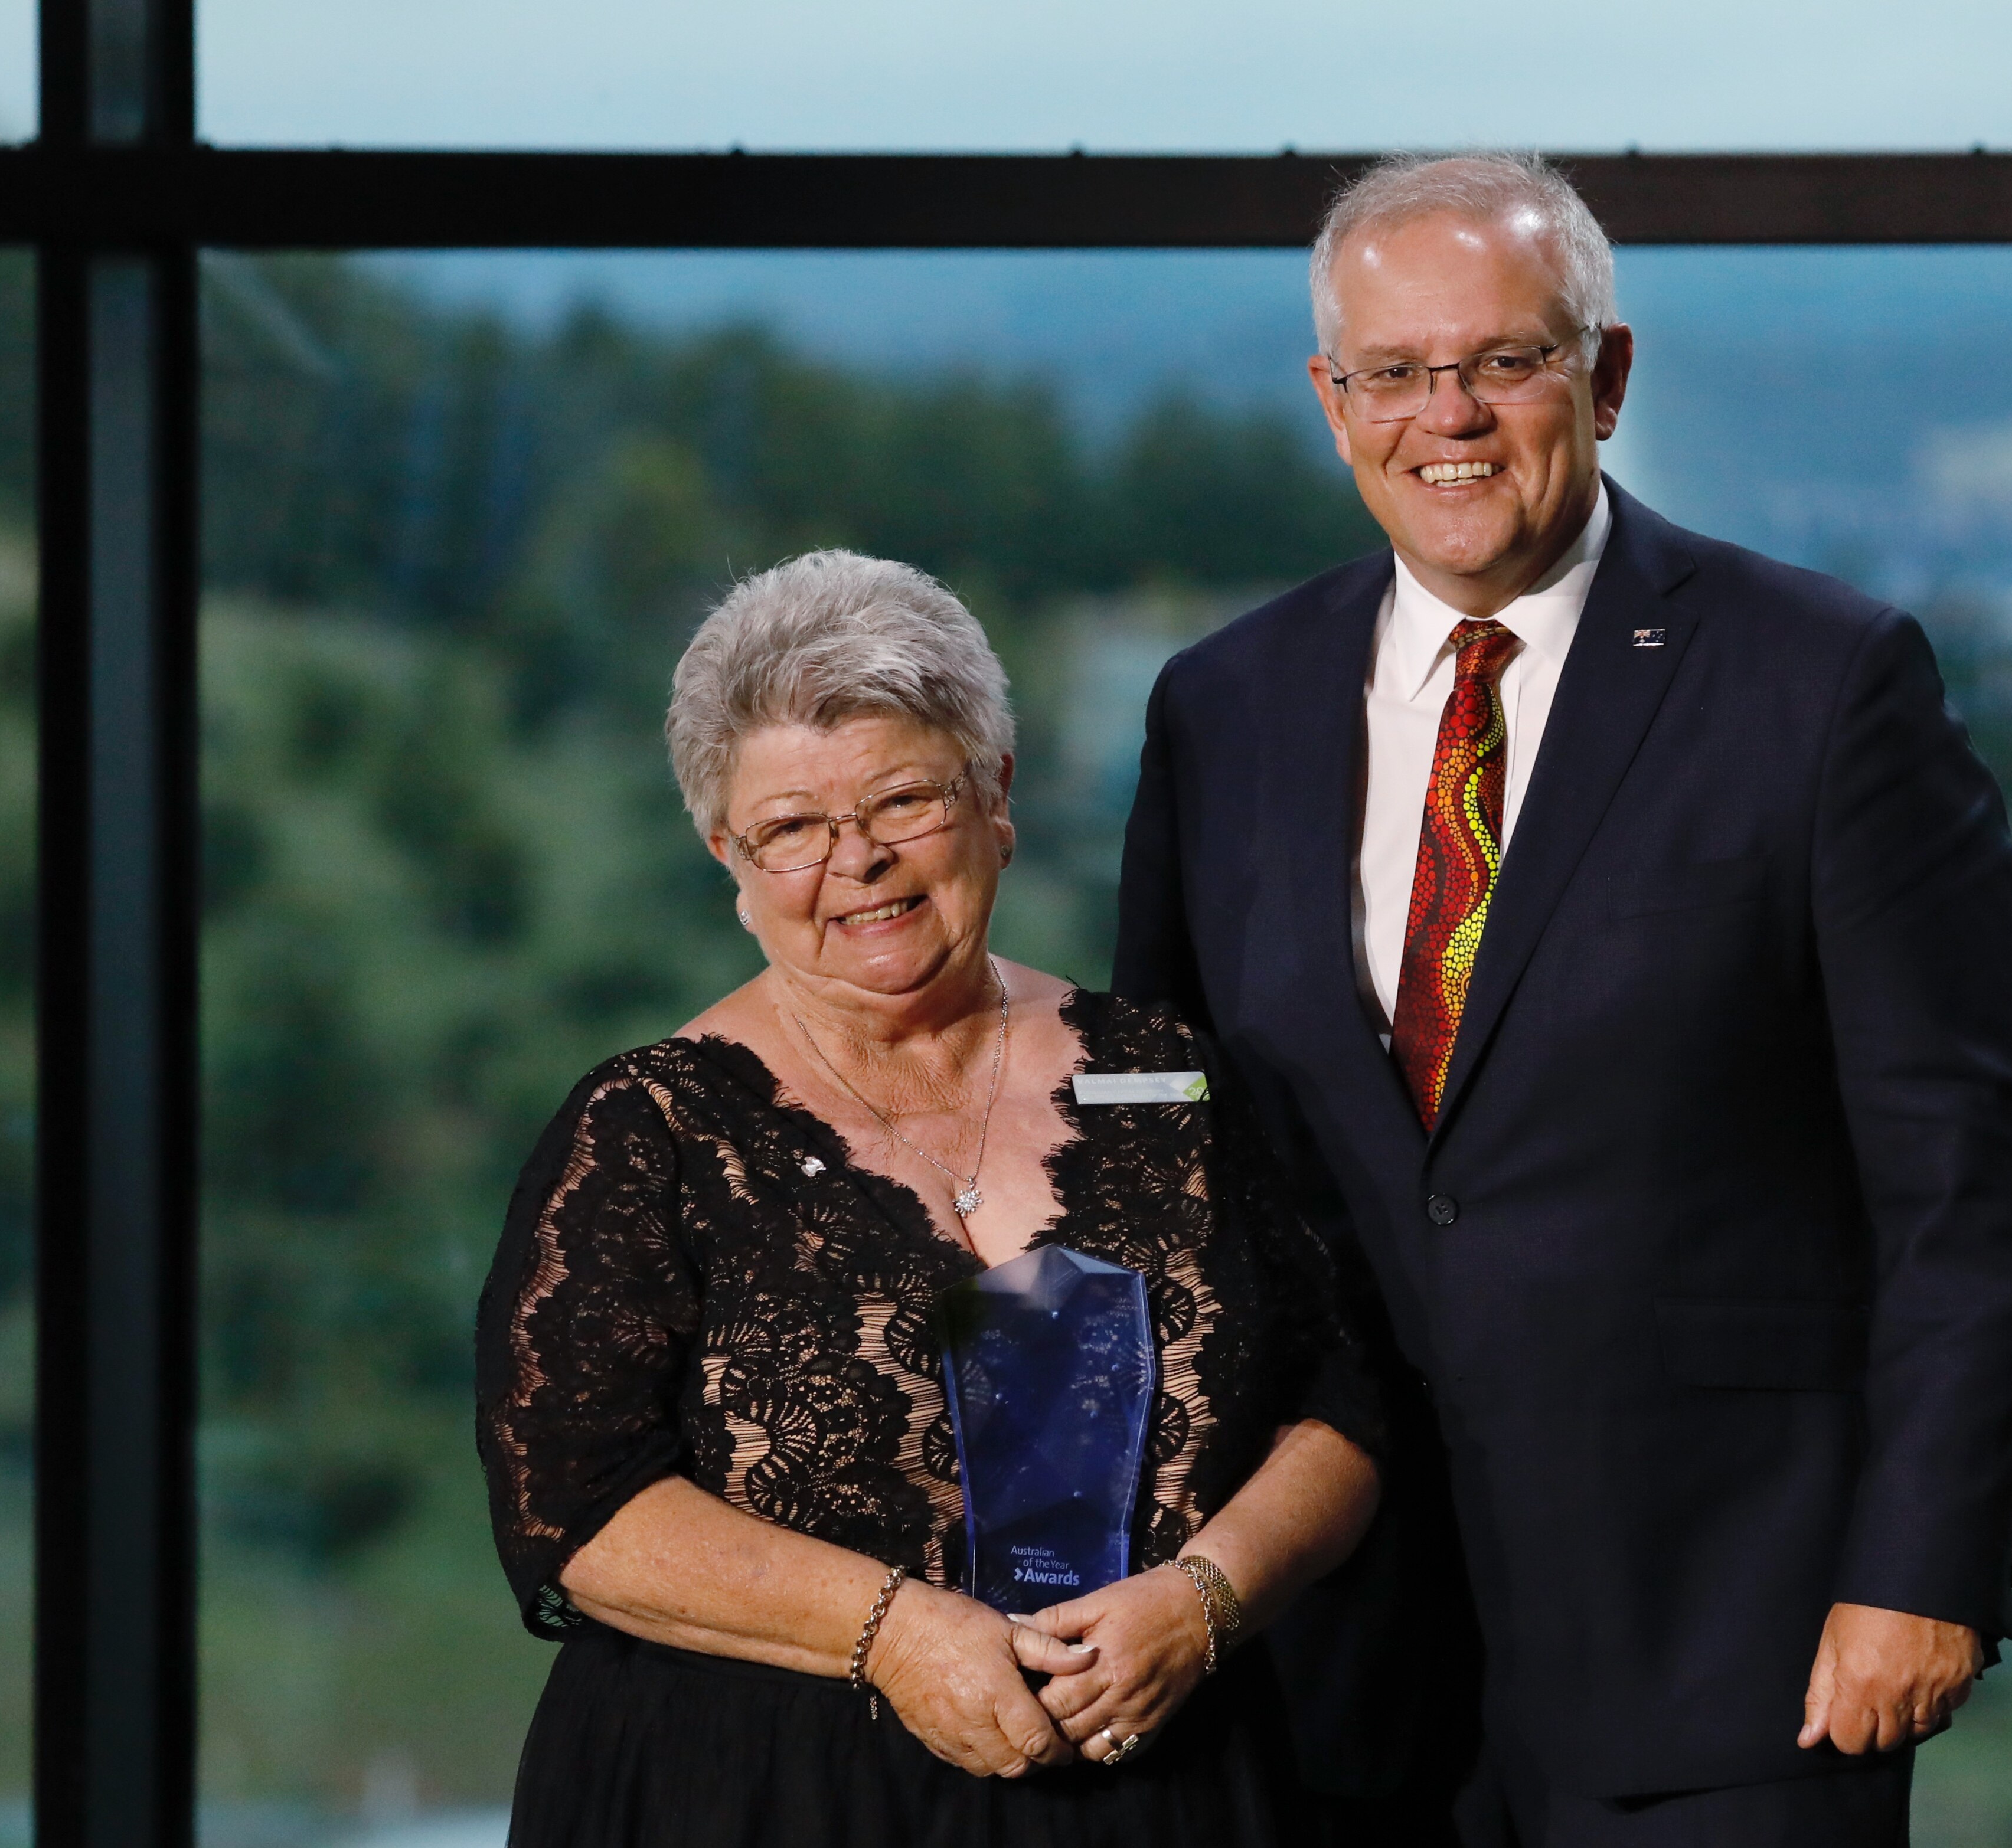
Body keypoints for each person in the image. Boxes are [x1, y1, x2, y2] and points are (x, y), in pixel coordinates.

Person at [1115, 153, 2012, 1846]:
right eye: (1396, 372)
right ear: (1332, 402)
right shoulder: (1225, 707)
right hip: (1332, 1650)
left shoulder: (1823, 683)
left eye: (1505, 360)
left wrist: (1922, 1563)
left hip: (1734, 1641)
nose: (1449, 417)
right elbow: (1164, 1175)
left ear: (1606, 377)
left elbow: (1967, 1182)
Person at [476, 548, 1387, 1847]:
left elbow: (1341, 1402)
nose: (857, 862)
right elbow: (575, 1511)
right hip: (754, 1799)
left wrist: (1207, 1597)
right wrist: (891, 1635)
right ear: (727, 855)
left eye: (905, 799)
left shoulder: (1166, 1074)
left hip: (1162, 1788)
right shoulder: (647, 1131)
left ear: (996, 796)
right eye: (792, 828)